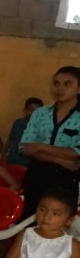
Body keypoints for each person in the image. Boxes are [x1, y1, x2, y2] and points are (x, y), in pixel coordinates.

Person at [19, 67, 80, 219]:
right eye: (56, 83)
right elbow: (25, 147)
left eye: (67, 84)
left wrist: (40, 146)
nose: (60, 88)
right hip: (36, 174)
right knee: (30, 219)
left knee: (58, 221)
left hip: (66, 178)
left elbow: (76, 153)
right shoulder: (40, 113)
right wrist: (60, 160)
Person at [5, 97, 43, 167]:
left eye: (37, 111)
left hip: (29, 161)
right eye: (31, 110)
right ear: (25, 110)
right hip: (13, 158)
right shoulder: (18, 123)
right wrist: (4, 153)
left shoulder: (41, 127)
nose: (33, 113)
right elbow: (10, 139)